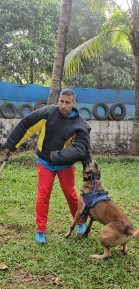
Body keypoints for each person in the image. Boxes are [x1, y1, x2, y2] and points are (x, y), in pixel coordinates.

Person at [4, 88, 91, 244]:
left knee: (70, 194)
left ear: (74, 103)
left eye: (67, 102)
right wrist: (11, 145)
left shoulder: (81, 124)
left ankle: (80, 222)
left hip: (65, 164)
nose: (63, 106)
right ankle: (40, 230)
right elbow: (26, 126)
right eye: (61, 101)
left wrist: (56, 157)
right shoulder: (47, 113)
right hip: (45, 162)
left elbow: (80, 149)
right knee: (43, 195)